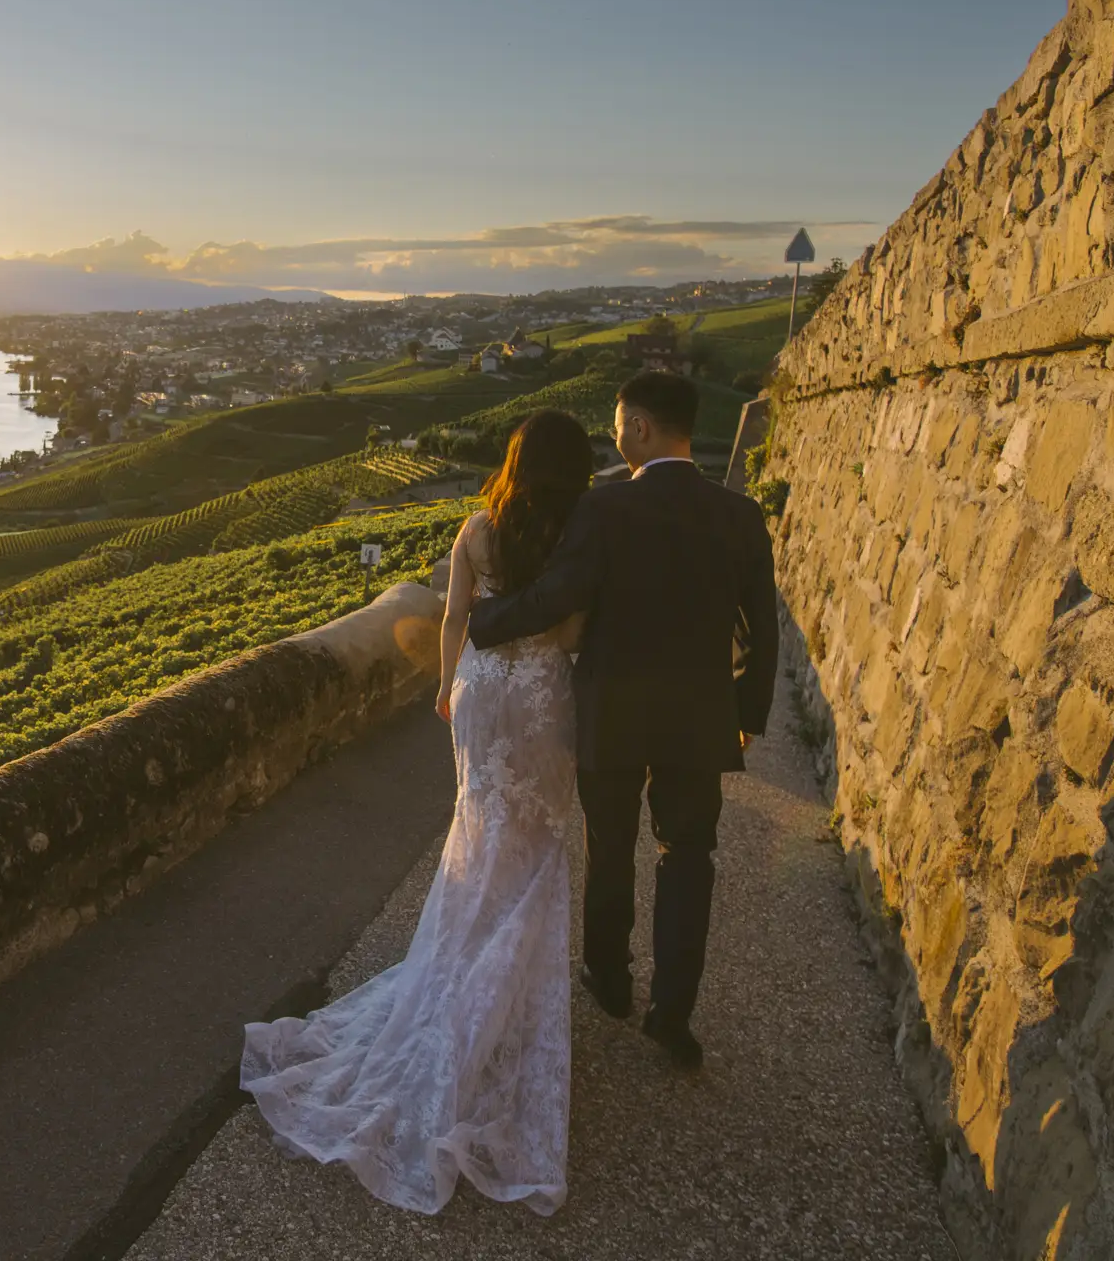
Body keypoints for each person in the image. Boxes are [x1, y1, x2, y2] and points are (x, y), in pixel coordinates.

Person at [239, 410, 595, 1216]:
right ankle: (501, 1007)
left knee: (479, 831)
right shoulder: (578, 536)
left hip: (480, 694)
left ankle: (458, 979)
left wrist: (444, 688)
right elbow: (571, 630)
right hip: (541, 697)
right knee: (534, 848)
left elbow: (455, 621)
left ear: (512, 463)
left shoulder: (477, 529)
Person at [467, 370, 778, 1070]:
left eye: (617, 422)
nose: (613, 434)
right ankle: (673, 1014)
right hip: (701, 718)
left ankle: (608, 980)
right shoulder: (741, 516)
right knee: (688, 856)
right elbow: (764, 627)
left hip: (610, 711)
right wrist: (748, 715)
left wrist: (483, 622)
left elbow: (557, 594)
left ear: (639, 427)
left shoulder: (603, 512)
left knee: (609, 846)